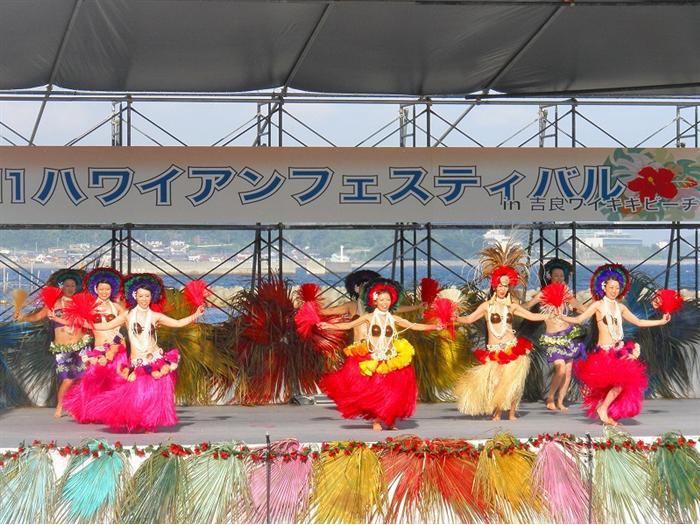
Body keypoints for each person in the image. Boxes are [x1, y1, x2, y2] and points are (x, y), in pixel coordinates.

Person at [317, 278, 440, 431]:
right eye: (381, 299)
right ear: (375, 301)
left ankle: (389, 420)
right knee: (376, 392)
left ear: (391, 301)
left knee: (393, 392)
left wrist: (435, 326)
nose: (385, 302)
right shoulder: (369, 317)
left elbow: (414, 326)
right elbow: (348, 325)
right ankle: (376, 420)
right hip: (374, 358)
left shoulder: (393, 318)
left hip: (391, 359)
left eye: (387, 299)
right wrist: (329, 325)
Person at [87, 273, 205, 432]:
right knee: (136, 395)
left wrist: (195, 314)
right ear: (135, 296)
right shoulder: (127, 315)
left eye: (147, 296)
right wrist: (85, 323)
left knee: (154, 395)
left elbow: (177, 323)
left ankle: (150, 424)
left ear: (151, 297)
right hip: (138, 361)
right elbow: (106, 326)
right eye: (141, 295)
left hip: (155, 358)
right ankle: (136, 421)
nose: (144, 299)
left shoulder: (155, 316)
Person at [561, 264, 670, 425]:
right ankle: (603, 409)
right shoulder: (598, 305)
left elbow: (638, 322)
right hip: (604, 353)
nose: (614, 290)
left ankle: (605, 409)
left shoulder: (621, 307)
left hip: (618, 350)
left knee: (621, 385)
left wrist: (660, 321)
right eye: (611, 287)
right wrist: (562, 317)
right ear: (604, 288)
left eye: (617, 287)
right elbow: (578, 319)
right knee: (612, 385)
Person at [453, 243, 548, 421]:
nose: (503, 289)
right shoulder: (486, 306)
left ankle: (511, 412)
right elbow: (468, 319)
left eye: (506, 286)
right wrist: (453, 318)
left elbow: (530, 316)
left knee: (513, 383)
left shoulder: (512, 306)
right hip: (494, 351)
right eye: (500, 286)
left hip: (513, 349)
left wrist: (547, 316)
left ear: (509, 287)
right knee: (496, 383)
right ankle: (496, 412)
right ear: (494, 287)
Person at [16, 269, 91, 418]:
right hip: (62, 347)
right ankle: (60, 405)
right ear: (61, 287)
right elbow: (38, 316)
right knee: (67, 379)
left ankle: (81, 407)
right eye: (67, 285)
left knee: (84, 378)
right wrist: (23, 317)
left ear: (76, 287)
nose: (70, 288)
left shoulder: (80, 303)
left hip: (80, 345)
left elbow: (84, 322)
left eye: (73, 286)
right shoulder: (54, 304)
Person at [62, 267, 127, 423]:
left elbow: (126, 326)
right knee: (94, 383)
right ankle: (93, 412)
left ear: (112, 290)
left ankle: (114, 413)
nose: (104, 291)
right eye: (101, 289)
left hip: (116, 348)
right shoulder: (89, 306)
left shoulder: (117, 307)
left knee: (117, 382)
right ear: (96, 289)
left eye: (107, 289)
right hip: (98, 350)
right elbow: (78, 323)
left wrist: (118, 344)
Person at [523, 258, 585, 411]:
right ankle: (551, 396)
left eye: (562, 276)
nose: (559, 279)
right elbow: (527, 306)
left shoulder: (566, 294)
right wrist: (512, 307)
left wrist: (580, 308)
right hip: (552, 337)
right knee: (561, 368)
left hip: (569, 335)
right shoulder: (543, 293)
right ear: (550, 276)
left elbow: (582, 309)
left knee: (568, 371)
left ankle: (560, 401)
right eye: (556, 275)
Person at [319, 269, 422, 343]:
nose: (365, 289)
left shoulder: (378, 306)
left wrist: (417, 307)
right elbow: (330, 311)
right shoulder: (352, 306)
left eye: (368, 287)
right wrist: (310, 310)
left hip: (376, 350)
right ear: (356, 288)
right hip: (357, 349)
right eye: (362, 286)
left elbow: (396, 309)